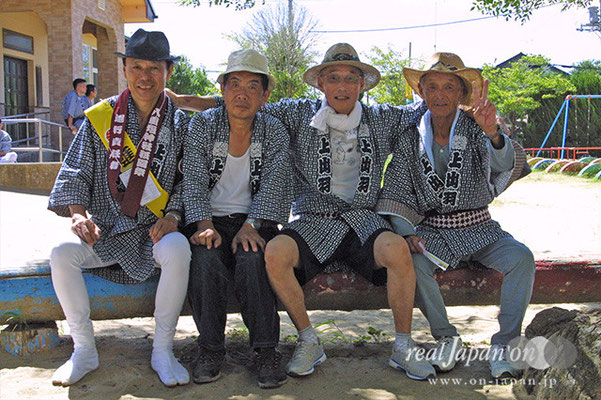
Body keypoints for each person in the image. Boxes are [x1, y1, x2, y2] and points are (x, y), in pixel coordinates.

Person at [168, 43, 453, 381]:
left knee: (397, 250)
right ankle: (308, 339)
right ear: (320, 82)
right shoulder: (298, 114)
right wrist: (188, 102)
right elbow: (245, 103)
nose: (342, 86)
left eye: (351, 79)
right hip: (313, 219)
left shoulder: (381, 118)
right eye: (334, 78)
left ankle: (403, 346)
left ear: (363, 85)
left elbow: (429, 107)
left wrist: (465, 102)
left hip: (362, 218)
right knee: (272, 251)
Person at [48, 29, 191, 388]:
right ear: (125, 69)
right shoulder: (100, 116)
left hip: (154, 232)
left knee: (179, 249)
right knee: (61, 253)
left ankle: (162, 349)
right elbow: (76, 170)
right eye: (137, 66)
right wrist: (79, 215)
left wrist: (173, 216)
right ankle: (83, 349)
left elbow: (191, 181)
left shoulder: (182, 122)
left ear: (167, 72)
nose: (145, 77)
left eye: (154, 68)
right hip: (108, 230)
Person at [378, 52, 534, 379]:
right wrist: (406, 233)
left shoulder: (479, 125)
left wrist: (493, 133)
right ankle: (447, 338)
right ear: (420, 92)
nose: (439, 95)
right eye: (431, 86)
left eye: (449, 87)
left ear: (462, 93)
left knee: (521, 258)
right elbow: (395, 190)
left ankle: (504, 345)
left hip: (479, 227)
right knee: (414, 265)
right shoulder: (410, 137)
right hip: (434, 230)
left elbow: (505, 165)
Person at [183, 49, 291, 389]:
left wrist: (253, 224)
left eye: (252, 86)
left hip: (254, 220)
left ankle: (265, 350)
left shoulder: (273, 131)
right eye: (234, 84)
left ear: (265, 96)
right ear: (223, 89)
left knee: (253, 259)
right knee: (204, 259)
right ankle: (211, 348)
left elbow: (275, 181)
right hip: (209, 219)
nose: (242, 94)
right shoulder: (202, 124)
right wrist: (203, 224)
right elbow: (194, 179)